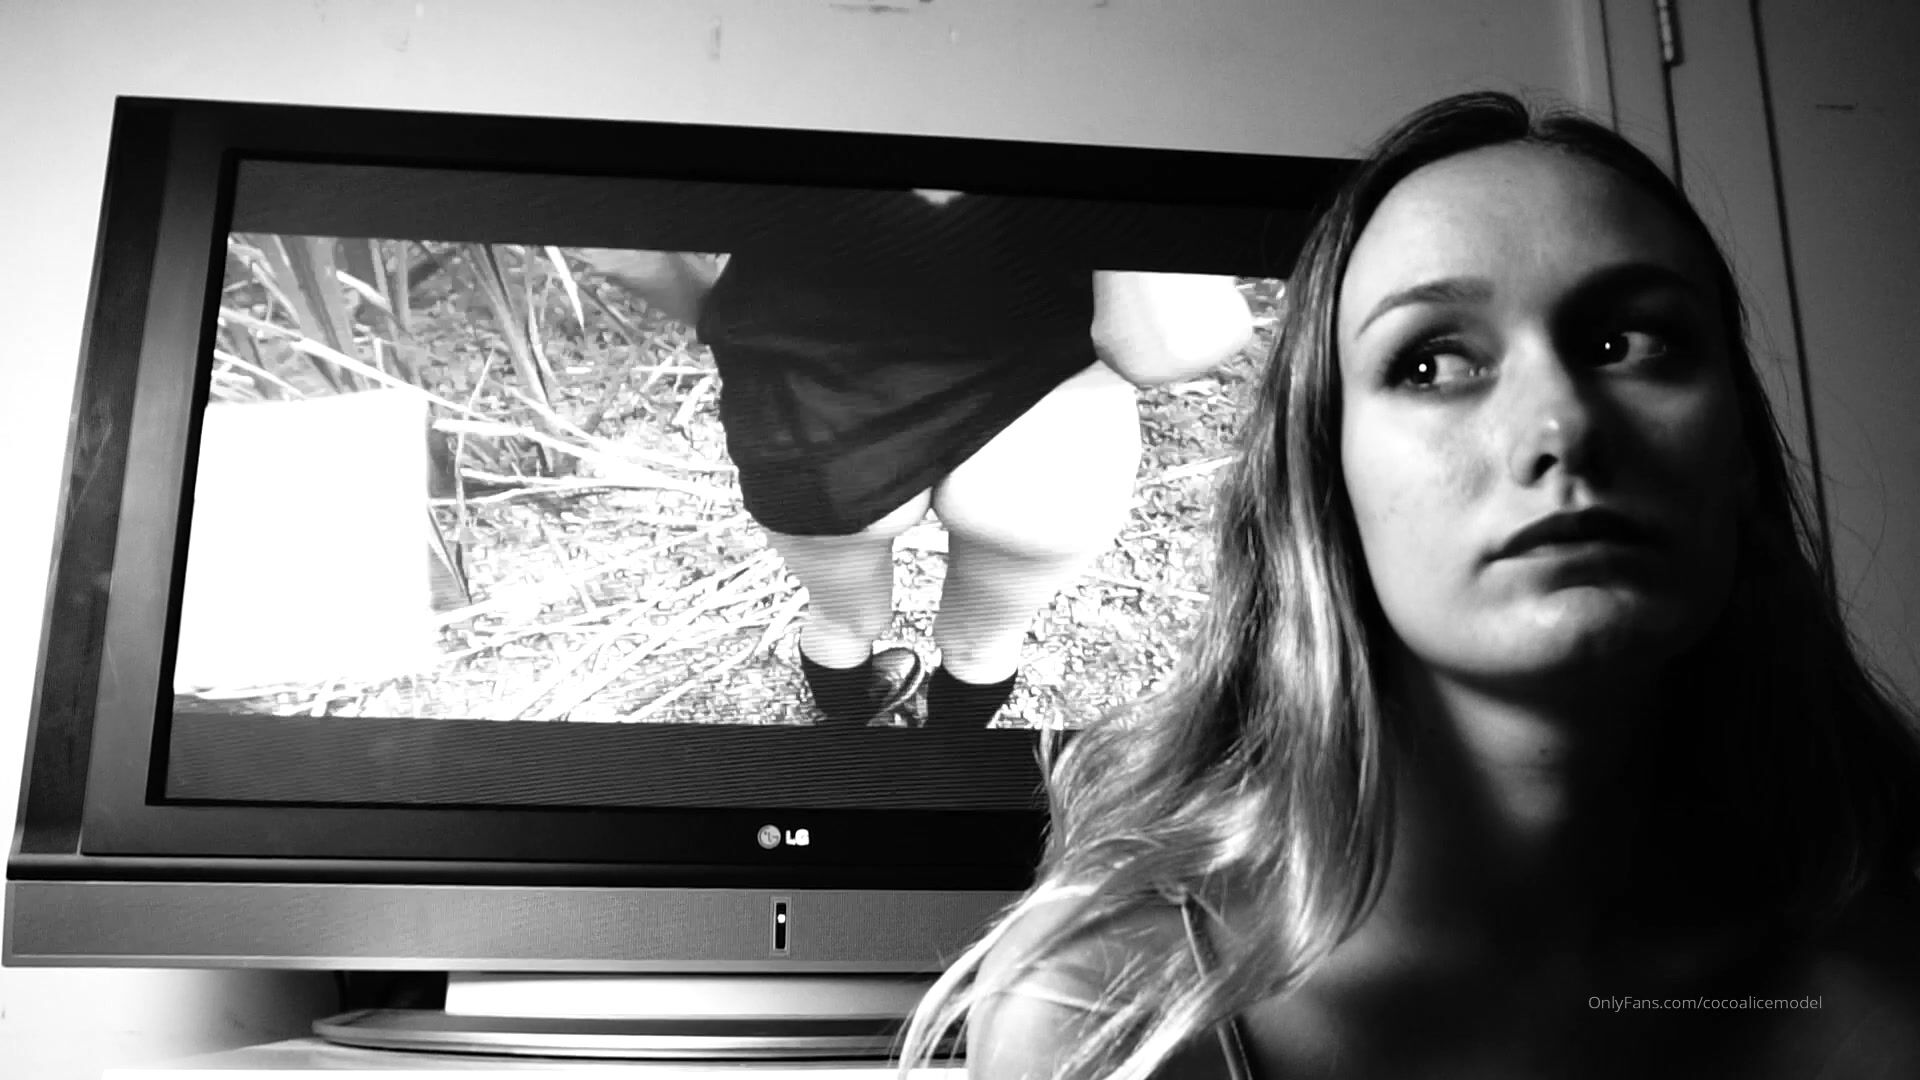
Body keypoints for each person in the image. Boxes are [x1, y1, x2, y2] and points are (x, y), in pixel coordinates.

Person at [895, 91, 1920, 1078]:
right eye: (1430, 363)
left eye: (1628, 344)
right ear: (1325, 480)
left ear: (1738, 451)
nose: (1560, 426)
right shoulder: (1113, 1022)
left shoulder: (1886, 984)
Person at [581, 203, 1252, 729]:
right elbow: (1165, 341)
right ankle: (942, 760)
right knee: (986, 644)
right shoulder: (1117, 94)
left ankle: (852, 733)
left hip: (813, 404)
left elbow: (617, 242)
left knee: (840, 620)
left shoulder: (752, 84)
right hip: (1050, 410)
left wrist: (726, 315)